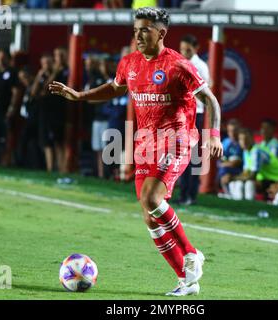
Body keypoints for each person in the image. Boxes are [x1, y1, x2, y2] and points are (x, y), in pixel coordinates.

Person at [49, 7, 223, 296]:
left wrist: (214, 136)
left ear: (161, 33)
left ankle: (193, 253)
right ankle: (186, 280)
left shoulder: (178, 65)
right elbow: (115, 88)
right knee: (149, 214)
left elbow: (211, 101)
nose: (138, 35)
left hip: (176, 139)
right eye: (136, 30)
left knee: (151, 197)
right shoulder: (129, 63)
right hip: (145, 144)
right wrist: (80, 96)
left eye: (145, 29)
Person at [178, 34, 211, 205]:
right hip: (182, 114)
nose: (184, 52)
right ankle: (184, 194)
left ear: (196, 48)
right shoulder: (181, 63)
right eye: (182, 49)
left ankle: (190, 194)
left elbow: (205, 91)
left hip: (194, 114)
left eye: (188, 49)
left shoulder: (200, 66)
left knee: (191, 156)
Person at [230, 128, 278, 201]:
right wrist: (236, 178)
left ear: (252, 138)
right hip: (266, 178)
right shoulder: (246, 151)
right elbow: (246, 172)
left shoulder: (256, 151)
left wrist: (234, 178)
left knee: (249, 183)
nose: (244, 142)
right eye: (241, 139)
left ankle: (250, 205)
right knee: (237, 182)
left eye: (246, 139)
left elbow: (252, 176)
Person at [217, 119, 242, 197]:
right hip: (226, 169)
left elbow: (237, 162)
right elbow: (220, 159)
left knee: (224, 170)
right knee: (223, 170)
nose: (232, 133)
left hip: (239, 170)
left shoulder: (242, 142)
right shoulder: (225, 142)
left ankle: (228, 194)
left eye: (234, 130)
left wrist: (226, 163)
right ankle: (227, 193)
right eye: (230, 131)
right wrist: (225, 163)